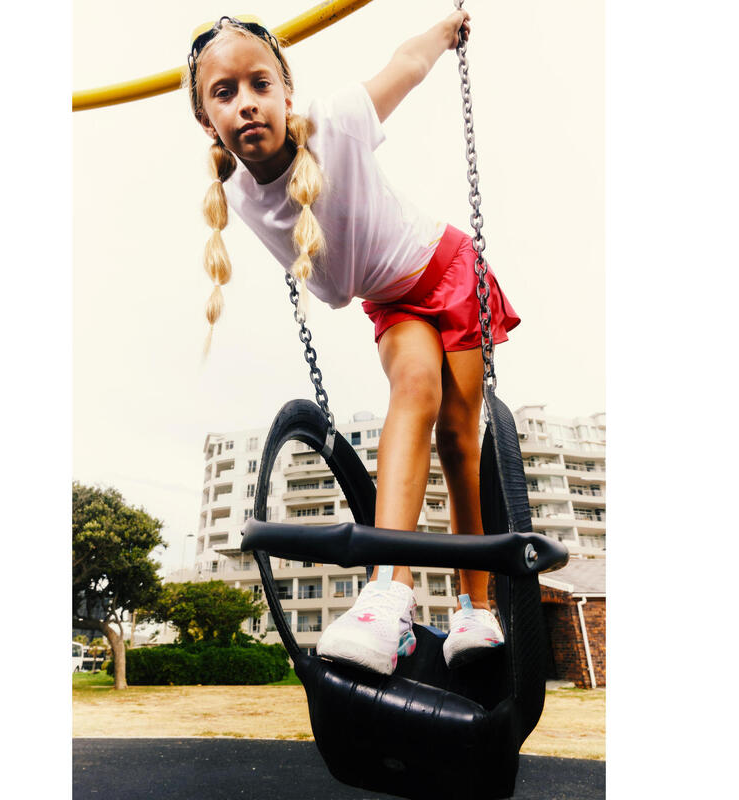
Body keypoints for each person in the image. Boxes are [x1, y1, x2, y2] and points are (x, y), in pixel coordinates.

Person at [186, 10, 520, 675]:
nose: (246, 103)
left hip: (446, 266)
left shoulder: (336, 124)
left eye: (258, 84)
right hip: (392, 303)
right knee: (413, 391)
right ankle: (388, 598)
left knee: (458, 437)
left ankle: (475, 610)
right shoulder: (237, 195)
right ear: (206, 120)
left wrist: (444, 32)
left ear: (286, 91)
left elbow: (405, 66)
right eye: (224, 93)